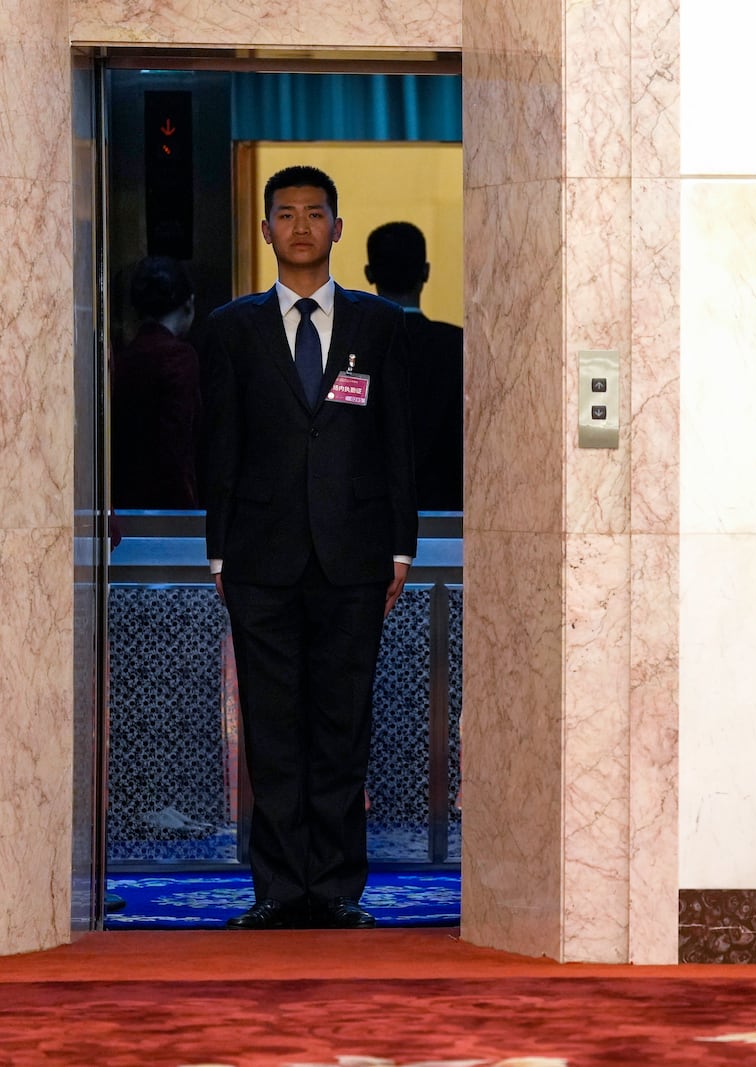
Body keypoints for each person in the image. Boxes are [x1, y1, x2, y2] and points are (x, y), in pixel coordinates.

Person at [202, 165, 417, 929]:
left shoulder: (379, 326)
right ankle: (278, 890)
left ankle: (334, 888)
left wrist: (402, 545)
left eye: (314, 213)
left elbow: (398, 440)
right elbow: (218, 443)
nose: (299, 225)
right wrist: (218, 552)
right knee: (272, 725)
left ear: (337, 227)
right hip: (258, 558)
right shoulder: (231, 327)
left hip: (356, 557)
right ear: (265, 231)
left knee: (341, 723)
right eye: (284, 213)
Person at [365, 221, 464, 511]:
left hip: (370, 516)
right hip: (448, 512)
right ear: (426, 272)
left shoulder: (347, 347)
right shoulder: (458, 345)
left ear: (369, 274)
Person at [111, 256, 202, 509]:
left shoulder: (123, 357)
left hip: (123, 497)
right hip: (169, 503)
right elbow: (178, 443)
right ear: (189, 304)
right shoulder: (179, 358)